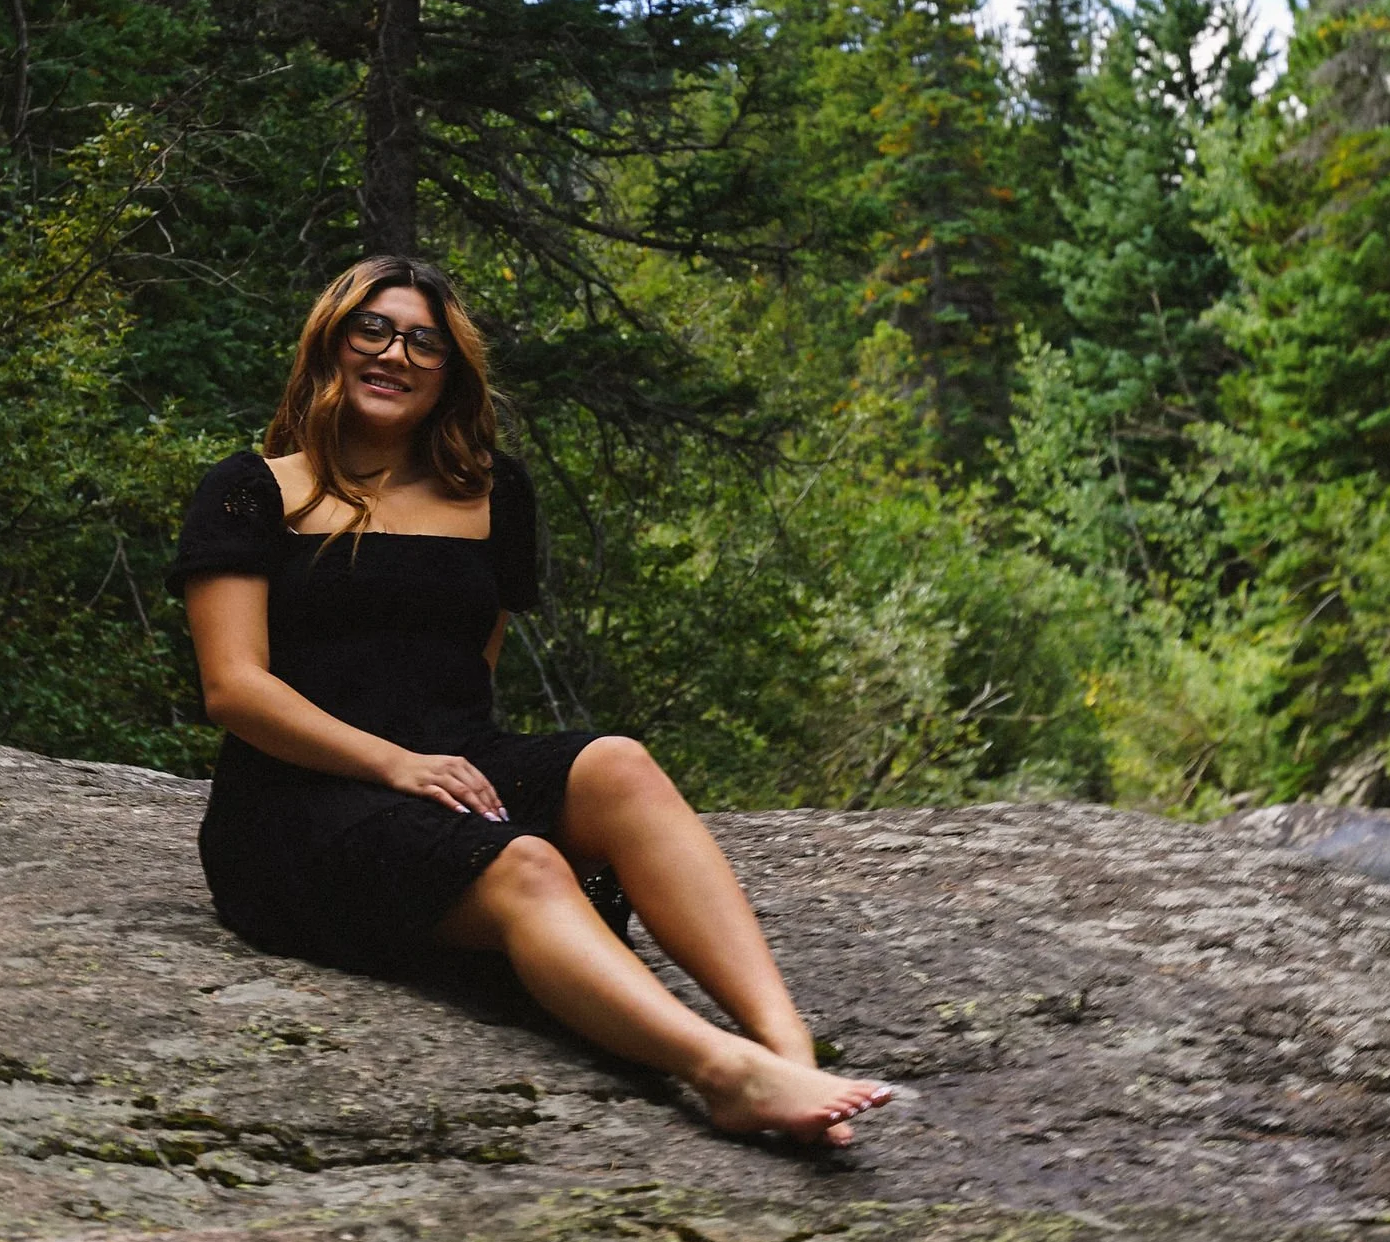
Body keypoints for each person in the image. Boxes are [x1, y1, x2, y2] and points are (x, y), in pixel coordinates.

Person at [174, 255, 890, 1149]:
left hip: (448, 769)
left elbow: (470, 665)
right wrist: (397, 763)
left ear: (450, 374)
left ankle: (786, 1048)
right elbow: (234, 689)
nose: (395, 353)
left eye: (424, 342)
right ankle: (724, 1074)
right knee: (529, 867)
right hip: (297, 808)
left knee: (617, 762)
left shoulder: (493, 495)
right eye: (374, 329)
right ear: (331, 343)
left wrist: (444, 769)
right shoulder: (252, 491)